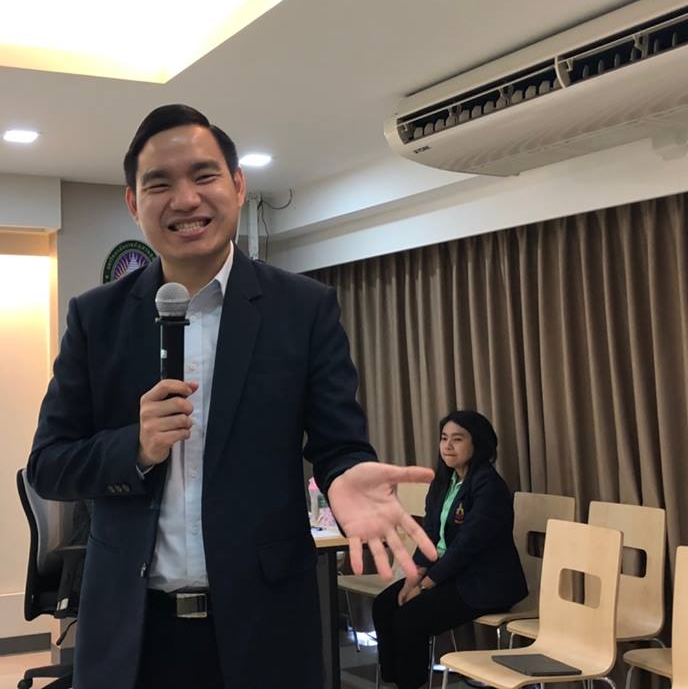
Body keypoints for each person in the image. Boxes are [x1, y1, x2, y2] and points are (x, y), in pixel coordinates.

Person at [27, 104, 438, 689]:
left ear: (239, 185)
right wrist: (135, 447)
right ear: (133, 204)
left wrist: (346, 472)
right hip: (131, 633)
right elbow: (49, 465)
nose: (185, 199)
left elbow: (338, 442)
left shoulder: (303, 308)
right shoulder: (96, 318)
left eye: (204, 176)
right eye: (160, 184)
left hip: (265, 628)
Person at [372, 410, 529, 689]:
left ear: (478, 444)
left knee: (410, 617)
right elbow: (430, 535)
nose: (448, 446)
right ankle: (394, 681)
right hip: (449, 575)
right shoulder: (443, 482)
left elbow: (466, 546)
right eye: (444, 438)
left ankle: (412, 685)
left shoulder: (489, 486)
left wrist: (424, 586)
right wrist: (413, 578)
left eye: (457, 439)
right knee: (384, 605)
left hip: (483, 583)